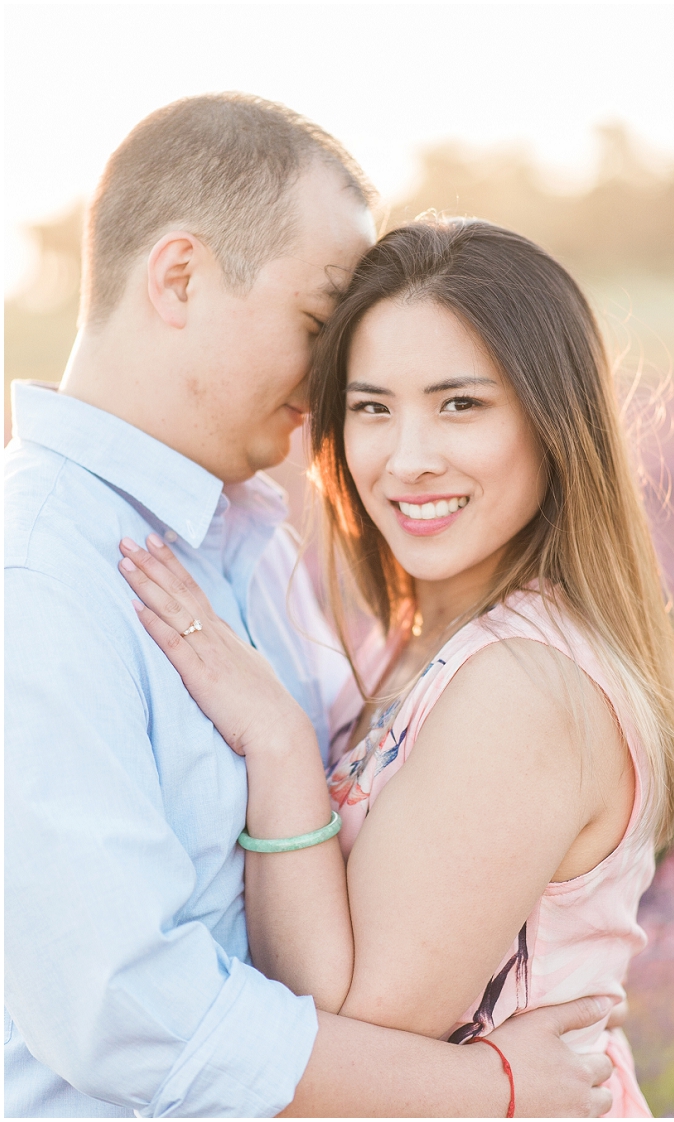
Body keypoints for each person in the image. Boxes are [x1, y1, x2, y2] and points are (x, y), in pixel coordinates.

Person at [6, 93, 617, 1117]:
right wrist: (483, 1089)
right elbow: (122, 1009)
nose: (335, 379)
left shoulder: (249, 535)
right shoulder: (40, 575)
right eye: (315, 325)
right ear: (180, 277)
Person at [115, 215, 674, 1117]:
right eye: (373, 408)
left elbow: (355, 1045)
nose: (408, 459)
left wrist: (279, 743)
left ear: (552, 422)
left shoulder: (523, 686)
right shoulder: (427, 637)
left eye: (461, 405)